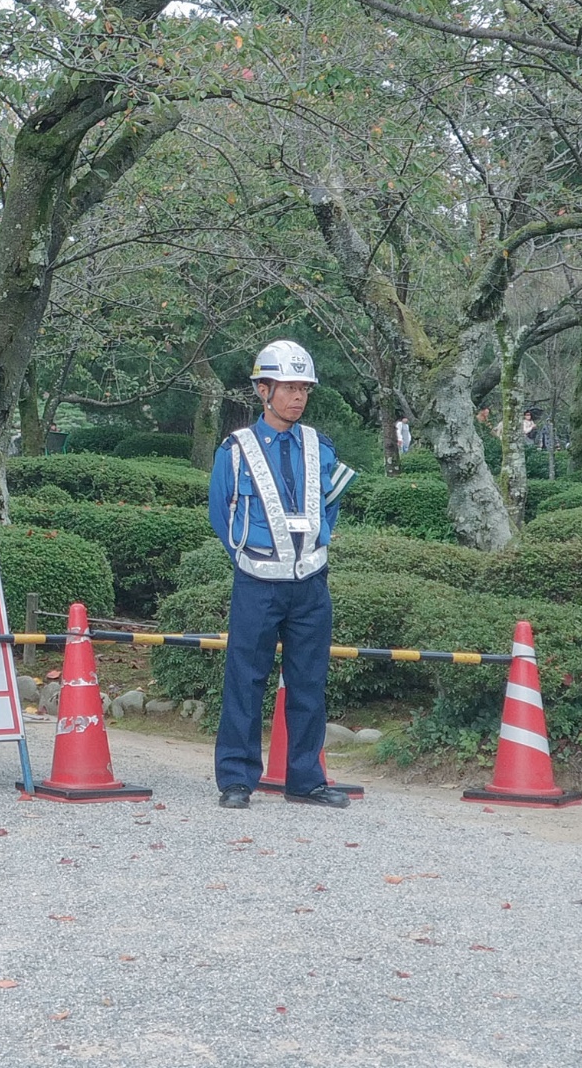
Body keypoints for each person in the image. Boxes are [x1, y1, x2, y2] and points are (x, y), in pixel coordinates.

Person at [206, 340, 356, 810]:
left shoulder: (320, 446)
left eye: (303, 389)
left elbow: (330, 504)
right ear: (262, 390)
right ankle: (236, 780)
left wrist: (316, 545)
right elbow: (220, 513)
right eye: (289, 388)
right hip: (257, 581)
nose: (298, 397)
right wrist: (251, 558)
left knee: (309, 681)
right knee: (244, 680)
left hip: (311, 582)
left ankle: (305, 780)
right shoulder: (235, 449)